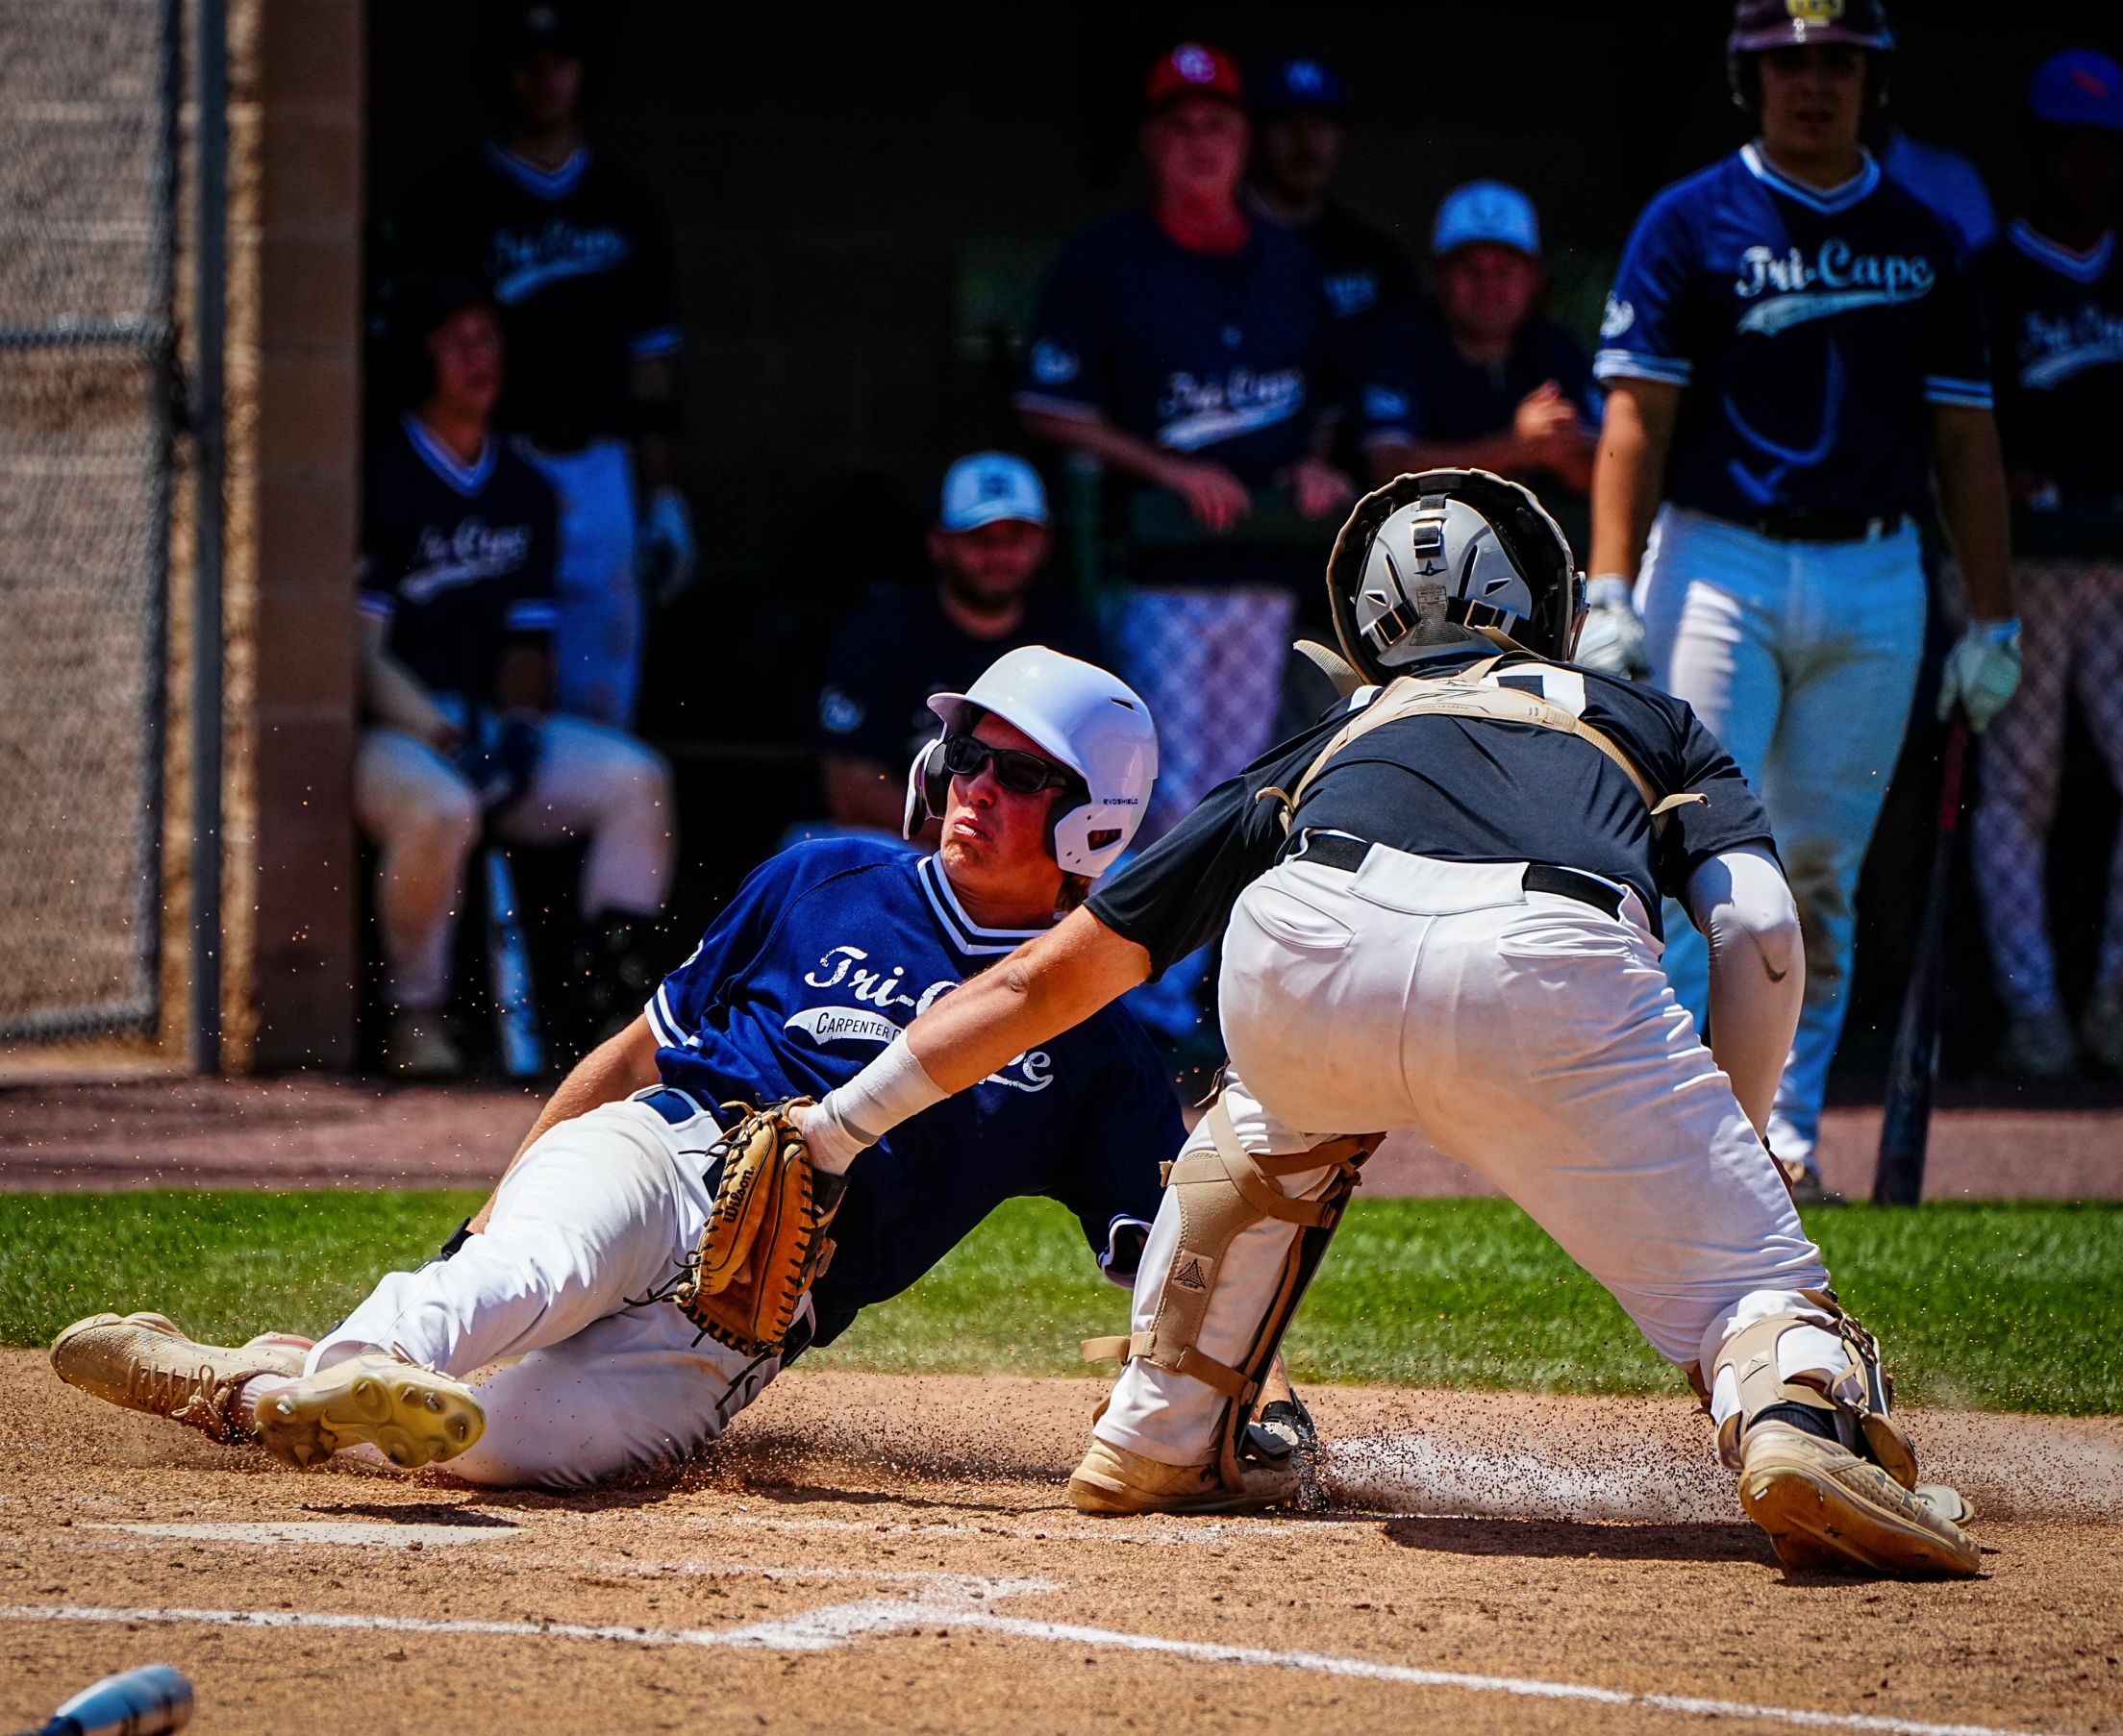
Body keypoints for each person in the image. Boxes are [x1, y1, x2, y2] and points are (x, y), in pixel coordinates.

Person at [793, 471, 1981, 1578]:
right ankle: (1790, 1413)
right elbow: (1764, 934)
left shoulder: (1332, 737)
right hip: (1549, 960)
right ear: (1543, 604)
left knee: (1264, 1113)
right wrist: (1731, 1156)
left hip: (1304, 947)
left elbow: (1037, 987)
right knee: (1753, 1287)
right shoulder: (1646, 717)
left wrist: (837, 1130)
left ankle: (1163, 1420)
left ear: (1364, 627)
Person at [51, 650, 1308, 1492]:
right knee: (519, 1272)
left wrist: (1257, 1388)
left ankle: (249, 1379)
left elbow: (1164, 1252)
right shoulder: (824, 873)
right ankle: (354, 1357)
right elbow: (637, 1047)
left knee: (504, 1448)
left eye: (1021, 773)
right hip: (664, 1147)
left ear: (1094, 819)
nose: (977, 783)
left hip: (744, 1324)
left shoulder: (1098, 1046)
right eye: (970, 755)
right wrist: (493, 1202)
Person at [1582, 0, 2020, 1198]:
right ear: (1749, 77)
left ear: (1871, 79)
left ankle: (1784, 1136)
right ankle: (1673, 1131)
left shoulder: (1924, 235)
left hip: (1879, 568)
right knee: (1696, 858)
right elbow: (1636, 419)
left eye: (1836, 62)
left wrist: (1995, 614)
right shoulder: (1687, 220)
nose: (1812, 84)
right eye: (1788, 62)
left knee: (1819, 867)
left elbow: (1967, 441)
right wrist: (1611, 582)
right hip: (1721, 557)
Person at [1015, 41, 1355, 844]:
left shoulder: (1288, 263)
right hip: (1157, 581)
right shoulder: (1108, 259)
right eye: (1180, 125)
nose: (1201, 142)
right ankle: (1151, 969)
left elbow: (1334, 403)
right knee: (1155, 793)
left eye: (1218, 124)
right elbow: (1044, 404)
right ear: (1152, 141)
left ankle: (1206, 970)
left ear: (1244, 140)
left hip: (1261, 576)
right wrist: (1167, 469)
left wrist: (1315, 462)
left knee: (1236, 795)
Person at [355, 280, 674, 1079]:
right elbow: (356, 650)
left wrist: (518, 730)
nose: (477, 360)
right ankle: (414, 1015)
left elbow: (528, 646)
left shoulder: (524, 488)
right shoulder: (381, 474)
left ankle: (614, 1017)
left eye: (489, 341)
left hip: (479, 726)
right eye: (456, 342)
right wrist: (439, 729)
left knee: (635, 779)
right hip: (389, 732)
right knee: (441, 806)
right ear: (420, 357)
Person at [384, 1, 690, 728]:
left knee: (600, 686)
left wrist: (664, 499)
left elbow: (651, 369)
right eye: (529, 63)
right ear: (502, 75)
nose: (546, 80)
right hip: (494, 466)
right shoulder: (451, 199)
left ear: (586, 74)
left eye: (562, 62)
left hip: (599, 468)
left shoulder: (623, 204)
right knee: (494, 669)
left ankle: (581, 827)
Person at [1969, 49, 2123, 1079]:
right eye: (2066, 144)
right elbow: (1953, 429)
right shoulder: (1991, 277)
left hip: (2118, 568)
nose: (2085, 165)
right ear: (2036, 150)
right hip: (2024, 569)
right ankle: (2033, 1014)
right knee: (2021, 791)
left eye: (2101, 145)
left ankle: (2114, 1003)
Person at [814, 454, 1105, 834]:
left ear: (1043, 542)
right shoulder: (879, 632)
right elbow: (851, 791)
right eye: (980, 538)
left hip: (1027, 853)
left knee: (1122, 873)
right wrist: (976, 838)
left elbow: (1098, 786)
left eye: (1016, 536)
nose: (999, 554)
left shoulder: (1070, 638)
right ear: (938, 543)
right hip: (908, 844)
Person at [1360, 182, 1602, 495]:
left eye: (1505, 271)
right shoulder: (1401, 342)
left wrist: (1564, 455)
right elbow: (1387, 467)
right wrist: (1515, 448)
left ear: (1535, 280)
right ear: (1438, 277)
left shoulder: (1555, 348)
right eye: (1470, 270)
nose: (1488, 286)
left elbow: (1609, 466)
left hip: (1539, 540)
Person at [1244, 54, 1417, 343]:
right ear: (1256, 135)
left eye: (1320, 124)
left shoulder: (1376, 257)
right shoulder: (1219, 251)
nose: (1306, 142)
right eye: (1287, 123)